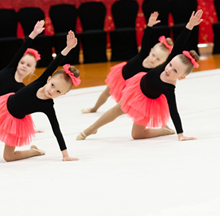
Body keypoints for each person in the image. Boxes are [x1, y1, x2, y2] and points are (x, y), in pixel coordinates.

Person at [77, 11, 203, 141]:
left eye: (175, 71)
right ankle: (90, 130)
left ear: (181, 77)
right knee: (116, 110)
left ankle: (163, 130)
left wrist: (180, 134)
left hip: (147, 103)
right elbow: (179, 43)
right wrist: (190, 25)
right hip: (136, 88)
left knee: (136, 135)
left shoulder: (169, 88)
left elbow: (174, 111)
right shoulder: (166, 63)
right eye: (170, 64)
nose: (169, 69)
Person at [0, 31, 80, 162]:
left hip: (16, 121)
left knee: (8, 157)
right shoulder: (41, 80)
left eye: (58, 92)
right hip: (5, 106)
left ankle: (33, 151)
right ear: (49, 79)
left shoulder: (48, 106)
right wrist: (68, 48)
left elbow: (56, 129)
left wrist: (65, 154)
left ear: (63, 94)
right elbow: (56, 61)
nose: (52, 91)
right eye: (52, 85)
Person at [81, 12, 172, 114]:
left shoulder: (154, 71)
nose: (153, 60)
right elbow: (145, 38)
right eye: (153, 55)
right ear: (150, 51)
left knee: (124, 105)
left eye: (158, 59)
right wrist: (150, 25)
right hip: (120, 76)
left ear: (162, 62)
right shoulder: (144, 53)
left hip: (131, 86)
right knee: (106, 93)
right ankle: (94, 108)